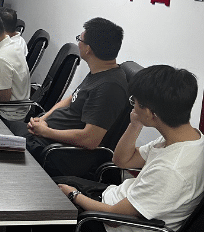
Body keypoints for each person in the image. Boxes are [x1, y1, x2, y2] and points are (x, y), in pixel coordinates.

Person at [54, 65, 203, 232]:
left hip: (107, 222)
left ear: (150, 113)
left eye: (134, 101)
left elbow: (113, 218)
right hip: (113, 198)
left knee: (45, 204)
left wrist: (74, 195)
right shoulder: (184, 136)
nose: (132, 106)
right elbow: (122, 161)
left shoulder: (172, 170)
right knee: (52, 184)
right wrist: (135, 125)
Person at [7, 17, 128, 172]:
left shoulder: (109, 87)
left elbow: (90, 139)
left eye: (80, 39)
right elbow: (72, 98)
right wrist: (43, 119)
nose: (78, 43)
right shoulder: (100, 71)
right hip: (45, 134)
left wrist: (46, 131)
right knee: (4, 129)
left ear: (88, 49)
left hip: (53, 151)